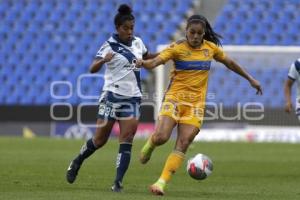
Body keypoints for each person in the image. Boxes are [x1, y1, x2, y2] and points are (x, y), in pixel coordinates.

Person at [136, 14, 263, 196]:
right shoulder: (177, 48)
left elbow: (230, 63)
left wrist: (250, 79)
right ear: (186, 32)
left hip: (196, 104)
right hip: (175, 99)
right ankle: (151, 144)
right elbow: (156, 61)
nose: (195, 36)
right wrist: (143, 63)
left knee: (184, 141)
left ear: (204, 34)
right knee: (162, 137)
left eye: (199, 33)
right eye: (192, 32)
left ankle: (161, 182)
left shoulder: (210, 48)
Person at [66, 4, 157, 192]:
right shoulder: (109, 45)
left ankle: (117, 182)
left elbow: (149, 58)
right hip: (112, 97)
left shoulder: (139, 42)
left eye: (132, 28)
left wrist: (168, 54)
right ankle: (77, 161)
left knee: (127, 139)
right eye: (126, 28)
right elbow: (92, 68)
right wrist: (103, 60)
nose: (130, 32)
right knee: (100, 140)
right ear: (117, 28)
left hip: (133, 98)